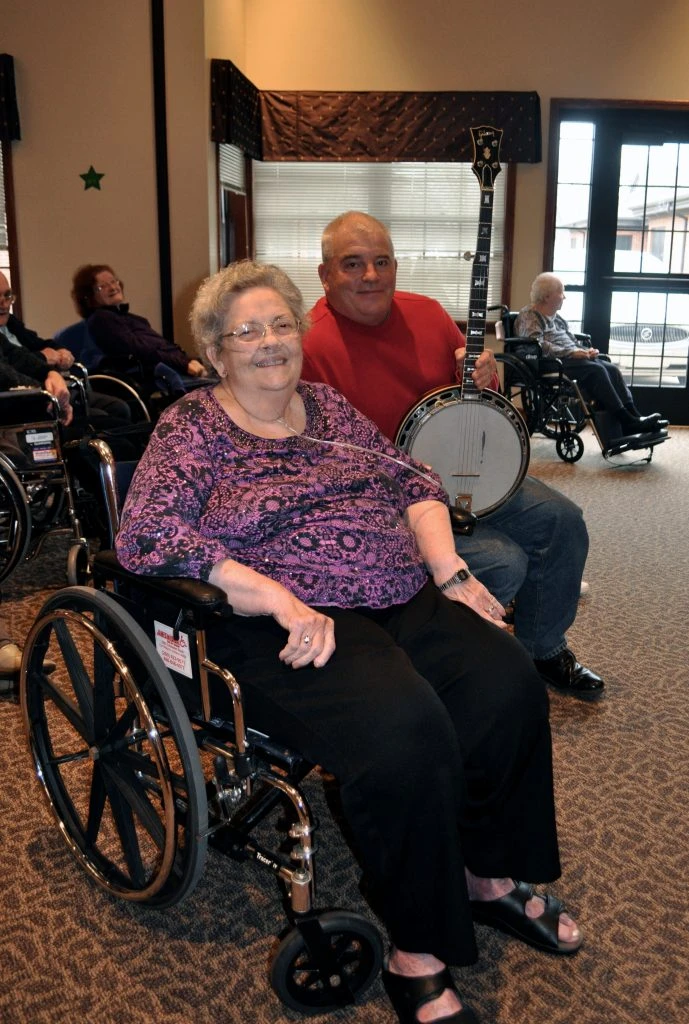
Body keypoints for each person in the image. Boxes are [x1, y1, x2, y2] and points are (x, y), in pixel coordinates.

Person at [116, 260, 583, 1024]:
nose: (269, 341)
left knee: (506, 683)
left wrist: (450, 570)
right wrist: (277, 597)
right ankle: (417, 953)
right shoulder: (192, 426)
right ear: (216, 350)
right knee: (404, 732)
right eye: (246, 331)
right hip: (278, 622)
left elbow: (413, 479)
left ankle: (487, 877)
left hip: (398, 592)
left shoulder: (328, 407)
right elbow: (148, 534)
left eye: (280, 324)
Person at [301, 211, 604, 701]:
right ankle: (451, 671)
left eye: (382, 261)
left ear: (395, 266)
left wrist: (486, 374)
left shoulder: (427, 313)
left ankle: (544, 649)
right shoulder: (309, 345)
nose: (371, 275)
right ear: (325, 274)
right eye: (352, 264)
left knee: (561, 520)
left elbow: (478, 399)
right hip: (388, 501)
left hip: (465, 470)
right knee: (504, 561)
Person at [515, 273, 667, 435]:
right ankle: (627, 421)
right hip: (548, 363)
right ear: (546, 296)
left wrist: (585, 351)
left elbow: (571, 341)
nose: (564, 297)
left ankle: (634, 416)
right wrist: (572, 352)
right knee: (596, 370)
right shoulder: (529, 316)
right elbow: (535, 345)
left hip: (569, 359)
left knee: (611, 369)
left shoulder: (557, 318)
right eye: (560, 292)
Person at [0, 272, 130, 432]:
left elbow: (26, 351)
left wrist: (53, 363)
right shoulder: (100, 320)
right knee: (111, 426)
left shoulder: (12, 323)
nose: (4, 303)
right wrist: (43, 360)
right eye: (103, 286)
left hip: (48, 392)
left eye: (7, 296)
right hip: (26, 405)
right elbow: (9, 373)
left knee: (118, 411)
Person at [70, 264, 208, 393]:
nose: (112, 288)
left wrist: (186, 361)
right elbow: (141, 351)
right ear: (89, 297)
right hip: (156, 377)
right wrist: (184, 364)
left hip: (174, 367)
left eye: (113, 281)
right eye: (102, 286)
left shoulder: (131, 318)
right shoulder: (101, 319)